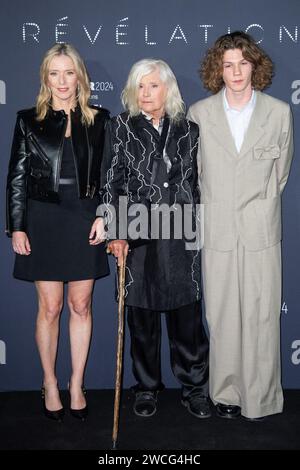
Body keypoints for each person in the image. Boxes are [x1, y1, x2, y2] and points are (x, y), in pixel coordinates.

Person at [187, 31, 294, 420]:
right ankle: (228, 394)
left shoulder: (279, 112)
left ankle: (262, 397)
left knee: (262, 316)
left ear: (255, 66)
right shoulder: (199, 114)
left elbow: (280, 175)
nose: (236, 72)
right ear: (218, 69)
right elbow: (195, 176)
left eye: (243, 63)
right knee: (221, 315)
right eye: (228, 64)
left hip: (260, 230)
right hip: (216, 230)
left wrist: (257, 207)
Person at [100, 59, 210, 418]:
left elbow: (196, 183)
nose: (146, 93)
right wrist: (115, 233)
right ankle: (146, 388)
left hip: (180, 233)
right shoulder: (120, 128)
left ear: (168, 89)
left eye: (153, 85)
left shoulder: (189, 130)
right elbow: (112, 181)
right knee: (142, 318)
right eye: (140, 86)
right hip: (137, 233)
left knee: (188, 319)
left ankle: (194, 388)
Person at [6, 43, 109, 421]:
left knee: (81, 305)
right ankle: (49, 382)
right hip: (44, 219)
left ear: (80, 76)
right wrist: (17, 225)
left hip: (85, 218)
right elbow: (15, 178)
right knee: (49, 308)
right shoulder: (27, 120)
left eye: (69, 73)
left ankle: (76, 383)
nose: (63, 81)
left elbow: (109, 176)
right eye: (55, 73)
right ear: (45, 78)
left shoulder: (100, 119)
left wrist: (106, 215)